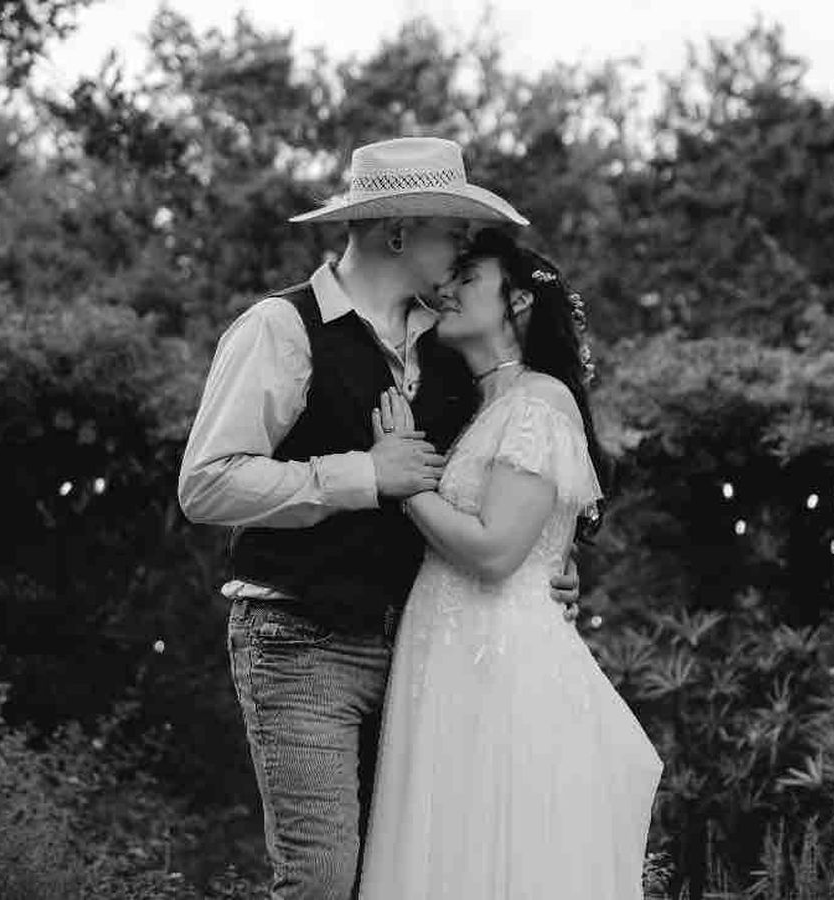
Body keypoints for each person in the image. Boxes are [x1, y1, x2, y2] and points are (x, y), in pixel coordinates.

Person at [177, 137, 581, 900]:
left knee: (401, 876)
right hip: (301, 641)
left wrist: (548, 563)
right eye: (452, 232)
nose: (461, 251)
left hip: (425, 654)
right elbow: (206, 484)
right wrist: (365, 474)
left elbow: (504, 476)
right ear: (399, 232)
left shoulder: (452, 343)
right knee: (323, 879)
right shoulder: (280, 329)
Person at [357, 227, 664, 900]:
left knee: (497, 849)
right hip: (452, 652)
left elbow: (497, 552)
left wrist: (404, 482)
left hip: (498, 659)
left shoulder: (539, 401)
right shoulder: (485, 405)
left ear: (519, 300)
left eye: (469, 280)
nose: (448, 290)